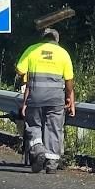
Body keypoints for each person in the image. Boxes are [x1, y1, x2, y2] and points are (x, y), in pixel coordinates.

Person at [15, 27, 75, 174]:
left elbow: (20, 70)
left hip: (35, 97)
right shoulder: (63, 53)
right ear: (57, 40)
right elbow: (69, 81)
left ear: (43, 38)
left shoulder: (32, 50)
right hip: (56, 99)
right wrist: (70, 99)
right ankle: (52, 164)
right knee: (54, 128)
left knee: (33, 125)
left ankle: (38, 149)